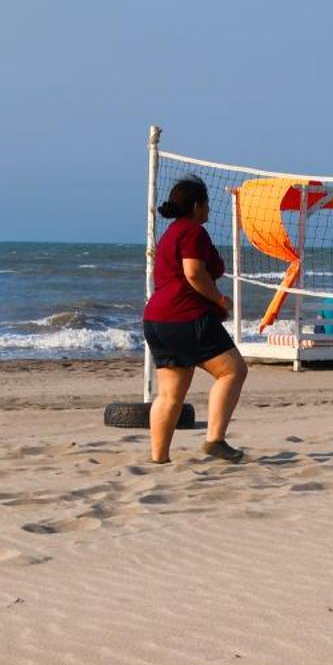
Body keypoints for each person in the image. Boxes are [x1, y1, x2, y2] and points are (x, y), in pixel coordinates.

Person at [142, 176, 249, 463]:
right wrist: (218, 299)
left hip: (156, 320)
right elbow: (193, 273)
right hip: (185, 316)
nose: (209, 209)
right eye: (206, 203)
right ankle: (215, 439)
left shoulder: (170, 233)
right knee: (233, 371)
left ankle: (159, 458)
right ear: (196, 205)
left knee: (169, 394)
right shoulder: (192, 232)